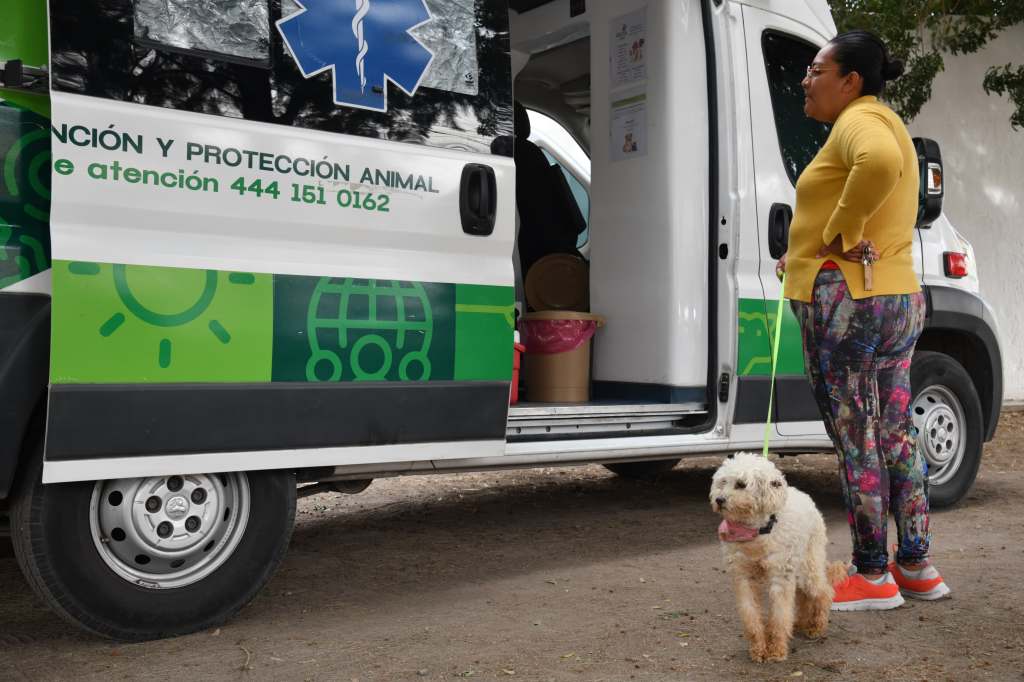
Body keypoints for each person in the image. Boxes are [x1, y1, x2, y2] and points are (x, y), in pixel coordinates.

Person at [776, 30, 950, 610]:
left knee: (857, 439)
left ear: (850, 81)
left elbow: (877, 165)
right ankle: (917, 565)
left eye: (816, 70)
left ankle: (872, 573)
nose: (806, 79)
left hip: (850, 304)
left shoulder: (859, 123)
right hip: (897, 297)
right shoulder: (885, 118)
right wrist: (808, 248)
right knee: (895, 435)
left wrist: (835, 236)